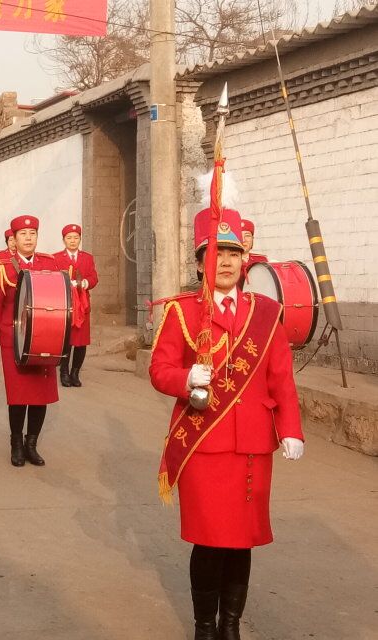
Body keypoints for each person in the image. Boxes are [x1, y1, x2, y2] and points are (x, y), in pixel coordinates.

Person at [149, 206, 304, 640]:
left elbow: (281, 378)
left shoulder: (267, 312)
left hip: (253, 444)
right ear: (200, 263)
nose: (227, 262)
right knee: (208, 539)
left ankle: (230, 626)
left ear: (245, 259)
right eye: (217, 253)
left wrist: (290, 427)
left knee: (242, 540)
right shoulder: (182, 312)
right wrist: (185, 378)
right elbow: (159, 370)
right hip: (203, 444)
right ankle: (203, 627)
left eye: (234, 252)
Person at [0, 215, 59, 467]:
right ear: (13, 239)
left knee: (41, 394)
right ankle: (16, 443)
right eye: (23, 235)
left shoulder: (49, 263)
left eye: (32, 234)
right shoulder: (3, 267)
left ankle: (31, 444)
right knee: (19, 394)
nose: (28, 239)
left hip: (46, 338)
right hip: (14, 338)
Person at [53, 224, 99, 387]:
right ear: (64, 240)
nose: (73, 241)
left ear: (80, 239)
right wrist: (66, 283)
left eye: (76, 238)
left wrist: (86, 282)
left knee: (81, 341)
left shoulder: (87, 258)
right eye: (69, 238)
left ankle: (75, 373)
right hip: (65, 304)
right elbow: (52, 278)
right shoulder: (56, 258)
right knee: (67, 340)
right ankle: (64, 372)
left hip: (82, 305)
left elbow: (93, 276)